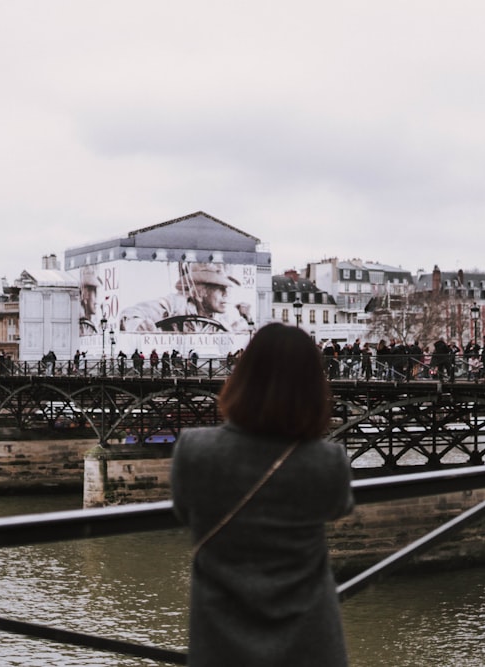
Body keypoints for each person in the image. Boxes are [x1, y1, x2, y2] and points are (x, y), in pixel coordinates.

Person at [171, 323, 353, 667]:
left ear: (241, 378)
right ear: (314, 388)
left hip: (221, 640)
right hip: (309, 641)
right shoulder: (328, 461)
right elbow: (338, 506)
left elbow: (184, 511)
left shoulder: (193, 450)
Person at [119, 262, 251, 332]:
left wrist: (248, 321)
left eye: (226, 288)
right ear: (201, 292)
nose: (226, 294)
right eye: (220, 288)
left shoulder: (225, 319)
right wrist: (139, 325)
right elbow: (130, 314)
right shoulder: (172, 305)